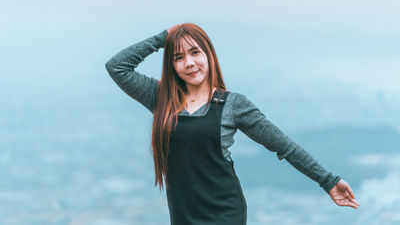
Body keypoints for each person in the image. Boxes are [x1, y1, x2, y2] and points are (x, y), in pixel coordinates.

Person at [105, 23, 360, 225]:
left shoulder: (232, 104)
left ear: (209, 55)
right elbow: (117, 67)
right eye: (179, 57)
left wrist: (328, 181)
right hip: (183, 215)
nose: (189, 63)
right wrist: (165, 37)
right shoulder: (161, 99)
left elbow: (284, 146)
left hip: (225, 213)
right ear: (172, 65)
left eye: (195, 52)